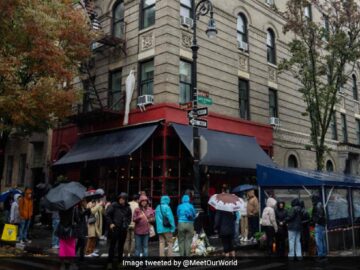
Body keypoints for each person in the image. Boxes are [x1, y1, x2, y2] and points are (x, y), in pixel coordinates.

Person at [106, 192, 132, 269]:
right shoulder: (114, 205)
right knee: (112, 246)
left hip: (123, 229)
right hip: (114, 228)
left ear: (126, 200)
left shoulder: (128, 208)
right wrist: (110, 223)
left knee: (121, 246)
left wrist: (126, 223)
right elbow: (107, 215)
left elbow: (129, 217)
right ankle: (109, 263)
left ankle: (120, 262)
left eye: (123, 199)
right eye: (120, 198)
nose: (121, 200)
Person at [57, 206, 80, 270]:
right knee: (71, 246)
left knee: (62, 246)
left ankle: (62, 264)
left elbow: (60, 217)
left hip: (61, 228)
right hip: (70, 230)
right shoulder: (74, 208)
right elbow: (77, 219)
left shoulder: (61, 207)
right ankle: (71, 264)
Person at [311, 195, 327, 261]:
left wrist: (315, 222)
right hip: (322, 225)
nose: (312, 201)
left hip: (319, 225)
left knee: (319, 241)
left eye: (312, 199)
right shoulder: (320, 204)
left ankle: (320, 255)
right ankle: (323, 254)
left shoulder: (317, 205)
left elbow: (319, 216)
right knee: (322, 240)